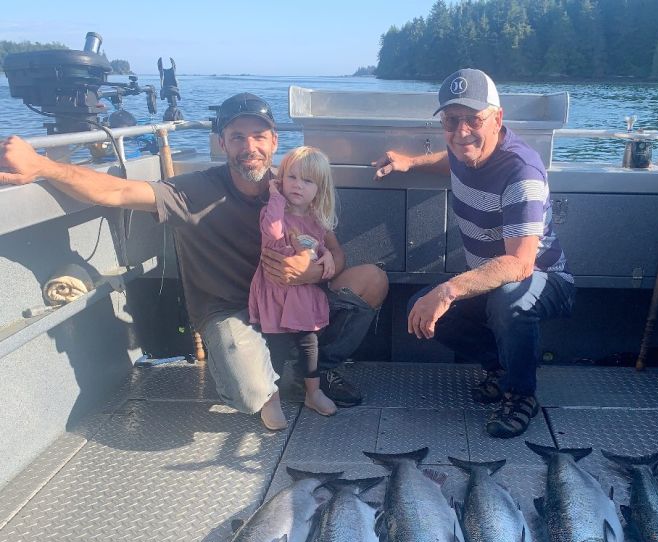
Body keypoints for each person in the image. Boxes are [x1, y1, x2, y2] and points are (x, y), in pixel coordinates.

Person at [0, 93, 388, 431]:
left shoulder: (293, 187)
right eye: (237, 137)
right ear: (221, 143)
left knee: (373, 279)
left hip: (297, 304)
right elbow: (117, 190)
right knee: (252, 393)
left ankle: (313, 370)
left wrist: (318, 270)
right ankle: (279, 375)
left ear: (274, 142)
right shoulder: (193, 190)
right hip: (233, 312)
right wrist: (44, 167)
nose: (248, 146)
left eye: (258, 136)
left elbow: (336, 249)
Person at [373, 69, 574, 438]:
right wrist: (410, 162)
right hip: (492, 281)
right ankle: (500, 367)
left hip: (544, 281)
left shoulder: (521, 171)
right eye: (451, 121)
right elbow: (450, 158)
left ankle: (521, 395)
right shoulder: (465, 152)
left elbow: (520, 264)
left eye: (473, 119)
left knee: (507, 300)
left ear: (497, 119)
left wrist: (447, 291)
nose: (462, 131)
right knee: (421, 309)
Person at [250, 146, 341, 417]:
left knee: (309, 344)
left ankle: (313, 392)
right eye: (292, 177)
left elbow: (319, 246)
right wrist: (275, 196)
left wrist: (327, 258)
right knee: (273, 348)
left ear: (319, 189)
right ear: (280, 180)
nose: (298, 185)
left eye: (308, 180)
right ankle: (271, 398)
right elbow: (273, 233)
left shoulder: (317, 220)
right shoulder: (272, 212)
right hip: (275, 293)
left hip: (303, 296)